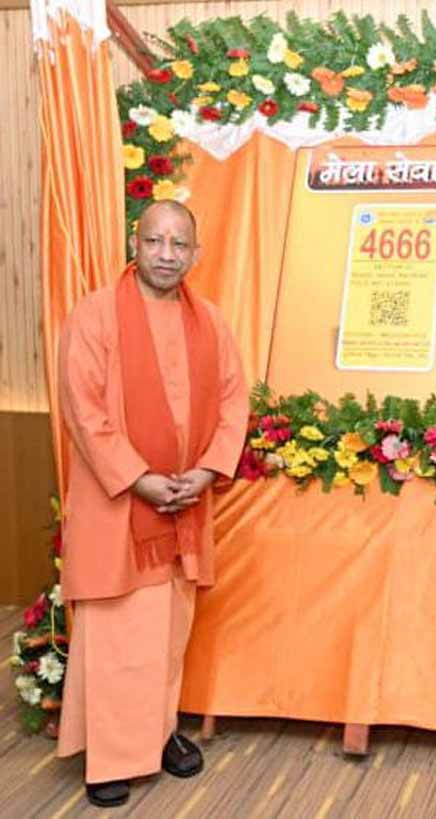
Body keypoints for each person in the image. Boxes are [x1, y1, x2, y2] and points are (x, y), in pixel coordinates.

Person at [55, 200, 249, 807]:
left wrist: (207, 470)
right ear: (134, 245)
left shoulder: (210, 321)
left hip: (185, 502)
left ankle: (158, 733)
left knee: (167, 631)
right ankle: (109, 757)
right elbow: (83, 411)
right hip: (117, 505)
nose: (167, 255)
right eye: (155, 242)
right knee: (116, 633)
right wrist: (138, 478)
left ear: (196, 253)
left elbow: (233, 401)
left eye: (179, 244)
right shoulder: (95, 315)